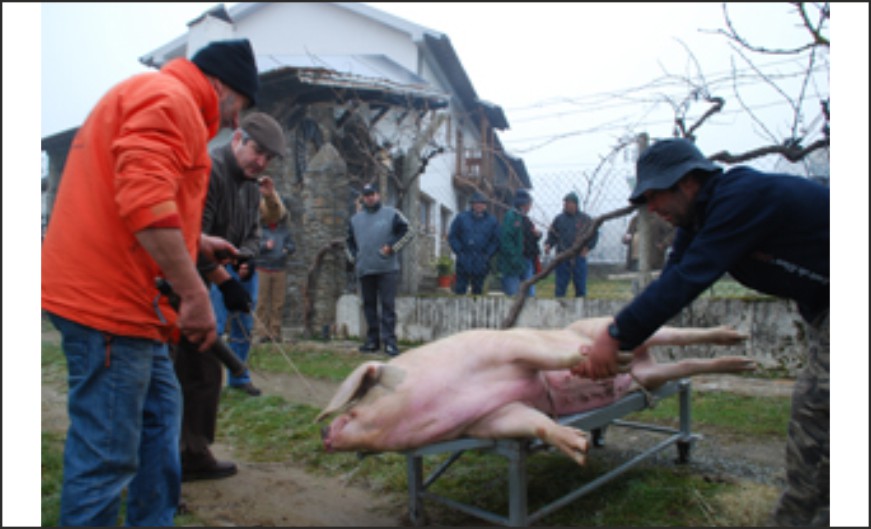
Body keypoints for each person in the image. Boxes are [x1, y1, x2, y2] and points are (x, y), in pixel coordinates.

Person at [40, 38, 259, 526]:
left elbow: (139, 196)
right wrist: (194, 291)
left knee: (161, 421)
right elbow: (144, 200)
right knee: (107, 454)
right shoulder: (171, 100)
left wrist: (195, 240)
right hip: (110, 305)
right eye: (239, 107)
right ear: (220, 85)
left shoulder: (161, 98)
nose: (236, 123)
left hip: (130, 304)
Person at [572, 138, 829, 527]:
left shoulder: (742, 196)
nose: (653, 210)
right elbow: (676, 272)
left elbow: (690, 278)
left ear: (688, 182)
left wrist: (616, 334)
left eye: (656, 196)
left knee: (819, 418)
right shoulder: (702, 217)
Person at [176, 111, 287, 483]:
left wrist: (242, 260)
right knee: (174, 374)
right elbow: (191, 238)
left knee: (206, 368)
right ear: (238, 138)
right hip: (175, 285)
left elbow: (252, 235)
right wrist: (225, 280)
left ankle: (194, 451)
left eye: (268, 159)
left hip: (210, 281)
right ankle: (165, 463)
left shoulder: (251, 186)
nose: (261, 162)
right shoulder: (208, 170)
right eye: (258, 151)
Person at [346, 183, 414, 357]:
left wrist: (392, 247)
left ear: (378, 195)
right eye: (366, 195)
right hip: (365, 268)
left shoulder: (392, 214)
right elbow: (349, 241)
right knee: (368, 306)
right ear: (363, 197)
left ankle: (390, 342)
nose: (370, 198)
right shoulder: (355, 219)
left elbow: (408, 232)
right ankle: (372, 341)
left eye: (373, 194)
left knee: (388, 306)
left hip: (387, 268)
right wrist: (355, 258)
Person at [253, 184, 295, 343]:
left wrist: (287, 250)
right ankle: (261, 333)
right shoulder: (259, 230)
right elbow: (254, 247)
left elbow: (292, 246)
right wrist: (265, 246)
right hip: (262, 268)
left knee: (278, 302)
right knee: (262, 302)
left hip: (280, 268)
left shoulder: (284, 230)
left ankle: (275, 332)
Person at [543, 191, 599, 297]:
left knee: (580, 288)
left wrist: (587, 247)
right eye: (564, 203)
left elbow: (594, 235)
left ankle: (580, 309)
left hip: (579, 257)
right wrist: (548, 244)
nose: (565, 205)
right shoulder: (559, 219)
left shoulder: (585, 219)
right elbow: (552, 235)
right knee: (560, 288)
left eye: (567, 203)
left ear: (575, 204)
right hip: (562, 257)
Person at [447, 192, 499, 295]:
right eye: (476, 202)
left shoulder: (492, 221)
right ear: (472, 204)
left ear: (485, 205)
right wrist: (459, 252)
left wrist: (487, 255)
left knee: (478, 291)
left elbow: (496, 240)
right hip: (464, 259)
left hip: (481, 261)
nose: (479, 205)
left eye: (482, 203)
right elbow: (453, 236)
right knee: (460, 290)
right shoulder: (461, 218)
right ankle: (459, 310)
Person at [499, 188, 541, 296]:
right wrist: (515, 259)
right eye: (530, 204)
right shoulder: (512, 216)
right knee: (514, 295)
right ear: (524, 204)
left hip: (527, 260)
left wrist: (537, 236)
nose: (530, 207)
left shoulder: (524, 218)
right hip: (514, 262)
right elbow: (506, 240)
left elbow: (527, 238)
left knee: (529, 295)